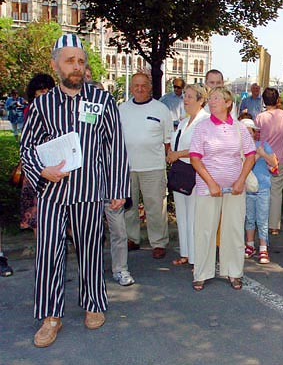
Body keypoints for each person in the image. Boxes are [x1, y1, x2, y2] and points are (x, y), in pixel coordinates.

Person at [20, 34, 130, 347]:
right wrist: (42, 170)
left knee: (91, 251)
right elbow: (27, 147)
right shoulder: (42, 105)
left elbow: (115, 147)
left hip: (91, 191)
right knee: (49, 254)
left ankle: (94, 302)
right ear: (55, 64)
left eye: (81, 61)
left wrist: (118, 187)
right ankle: (51, 316)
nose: (77, 67)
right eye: (70, 61)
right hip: (53, 194)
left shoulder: (102, 101)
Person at [189, 86, 255, 291]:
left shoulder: (239, 128)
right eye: (210, 98)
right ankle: (201, 273)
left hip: (235, 188)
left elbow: (250, 155)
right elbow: (195, 158)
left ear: (228, 103)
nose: (212, 101)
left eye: (217, 98)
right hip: (208, 187)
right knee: (205, 230)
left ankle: (234, 272)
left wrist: (240, 180)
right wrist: (211, 183)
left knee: (234, 230)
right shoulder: (202, 127)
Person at [119, 72, 172, 259]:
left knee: (156, 207)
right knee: (128, 207)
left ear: (149, 87)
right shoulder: (122, 109)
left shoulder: (161, 109)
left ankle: (158, 242)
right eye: (136, 85)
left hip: (153, 167)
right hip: (127, 167)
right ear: (131, 87)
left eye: (143, 85)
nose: (140, 89)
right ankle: (132, 238)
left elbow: (168, 141)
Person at [166, 84, 210, 266]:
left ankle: (196, 257)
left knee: (194, 217)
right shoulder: (184, 122)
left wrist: (178, 154)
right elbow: (174, 142)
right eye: (185, 96)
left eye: (190, 97)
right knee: (182, 215)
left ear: (201, 100)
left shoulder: (205, 121)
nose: (185, 100)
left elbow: (201, 148)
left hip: (195, 173)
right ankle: (185, 252)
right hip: (180, 172)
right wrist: (170, 153)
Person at [255, 87, 283, 236]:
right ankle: (274, 225)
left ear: (264, 101)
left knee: (262, 190)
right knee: (276, 192)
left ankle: (261, 222)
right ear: (277, 99)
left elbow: (256, 136)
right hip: (281, 157)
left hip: (263, 157)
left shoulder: (260, 117)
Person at [20, 74, 56, 234]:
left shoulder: (56, 110)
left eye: (48, 90)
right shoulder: (32, 110)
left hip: (53, 165)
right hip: (35, 168)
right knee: (36, 214)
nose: (45, 94)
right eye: (41, 91)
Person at [241, 117, 278, 264]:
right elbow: (246, 166)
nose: (248, 135)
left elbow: (274, 162)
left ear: (254, 133)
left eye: (250, 132)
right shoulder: (238, 149)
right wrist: (256, 156)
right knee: (249, 218)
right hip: (247, 189)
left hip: (262, 188)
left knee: (262, 219)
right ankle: (249, 245)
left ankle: (263, 247)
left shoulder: (263, 145)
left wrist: (262, 153)